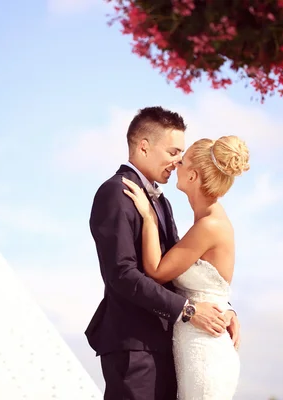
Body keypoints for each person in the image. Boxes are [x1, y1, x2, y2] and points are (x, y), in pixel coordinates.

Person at [84, 106, 240, 400]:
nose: (178, 160)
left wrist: (222, 307)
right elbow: (122, 275)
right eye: (173, 152)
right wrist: (188, 310)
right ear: (144, 146)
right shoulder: (115, 194)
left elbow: (181, 268)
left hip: (168, 346)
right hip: (135, 347)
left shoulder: (162, 202)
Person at [122, 135, 249, 399]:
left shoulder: (209, 225)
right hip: (196, 344)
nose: (177, 162)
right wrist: (228, 309)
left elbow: (156, 271)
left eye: (184, 159)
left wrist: (148, 217)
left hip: (205, 353)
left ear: (192, 177)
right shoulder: (206, 220)